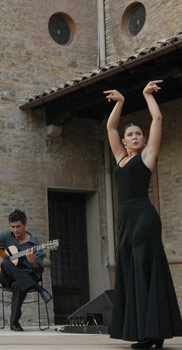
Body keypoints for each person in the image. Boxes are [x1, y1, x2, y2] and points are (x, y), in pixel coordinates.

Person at [104, 81, 182, 349]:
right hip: (125, 221)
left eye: (139, 133)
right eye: (131, 134)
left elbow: (157, 118)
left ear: (144, 139)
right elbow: (111, 127)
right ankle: (147, 332)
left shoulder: (147, 156)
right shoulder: (119, 158)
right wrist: (120, 103)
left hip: (144, 218)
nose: (136, 137)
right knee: (132, 272)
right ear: (124, 142)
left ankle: (153, 333)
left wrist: (147, 95)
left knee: (144, 270)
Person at [0, 209, 53, 332]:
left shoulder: (34, 243)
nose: (16, 230)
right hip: (6, 277)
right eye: (13, 227)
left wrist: (33, 262)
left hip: (27, 276)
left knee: (18, 285)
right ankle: (39, 289)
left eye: (18, 226)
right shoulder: (7, 236)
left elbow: (40, 270)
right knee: (5, 262)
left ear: (25, 225)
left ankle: (14, 323)